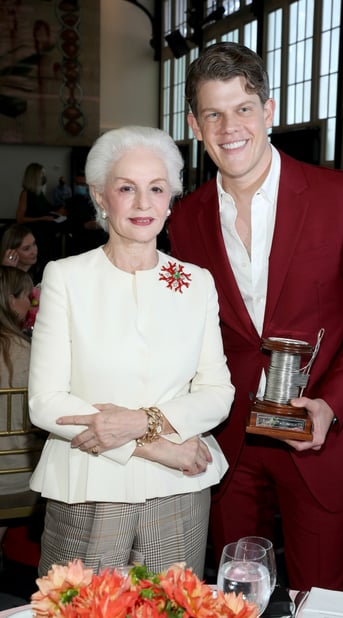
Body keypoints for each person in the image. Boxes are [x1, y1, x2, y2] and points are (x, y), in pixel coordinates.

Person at [168, 42, 343, 591]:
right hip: (227, 445)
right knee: (232, 601)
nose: (230, 127)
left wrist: (331, 406)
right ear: (195, 125)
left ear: (269, 112)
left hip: (317, 437)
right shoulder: (184, 218)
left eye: (243, 108)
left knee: (319, 598)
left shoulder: (341, 196)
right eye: (214, 113)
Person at [28, 125, 234, 578]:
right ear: (101, 197)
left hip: (179, 488)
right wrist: (156, 448)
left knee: (174, 608)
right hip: (90, 484)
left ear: (170, 199)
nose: (144, 203)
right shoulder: (66, 277)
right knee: (82, 610)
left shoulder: (196, 282)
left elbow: (218, 392)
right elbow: (46, 403)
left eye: (156, 189)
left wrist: (142, 423)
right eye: (127, 188)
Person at [0, 266, 44, 543]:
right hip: (18, 477)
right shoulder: (30, 354)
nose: (30, 302)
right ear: (10, 300)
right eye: (26, 295)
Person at [15, 163, 65, 273]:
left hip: (45, 236)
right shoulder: (26, 194)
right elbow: (20, 218)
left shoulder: (40, 194)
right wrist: (42, 218)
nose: (44, 177)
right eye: (42, 174)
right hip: (35, 235)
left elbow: (46, 210)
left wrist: (57, 212)